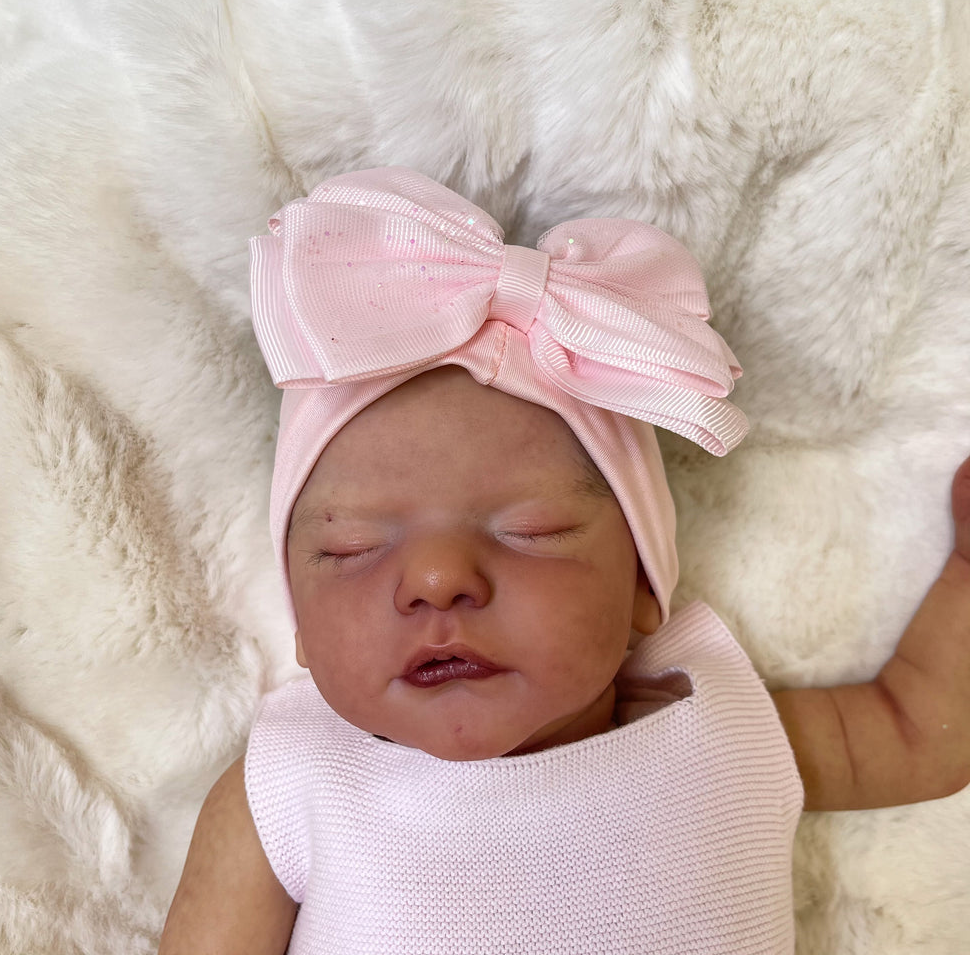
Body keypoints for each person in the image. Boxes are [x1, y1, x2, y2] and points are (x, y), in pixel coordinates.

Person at [159, 168, 970, 955]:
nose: (438, 578)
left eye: (532, 531)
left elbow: (919, 734)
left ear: (643, 593)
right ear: (302, 628)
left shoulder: (719, 726)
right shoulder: (294, 784)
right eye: (351, 550)